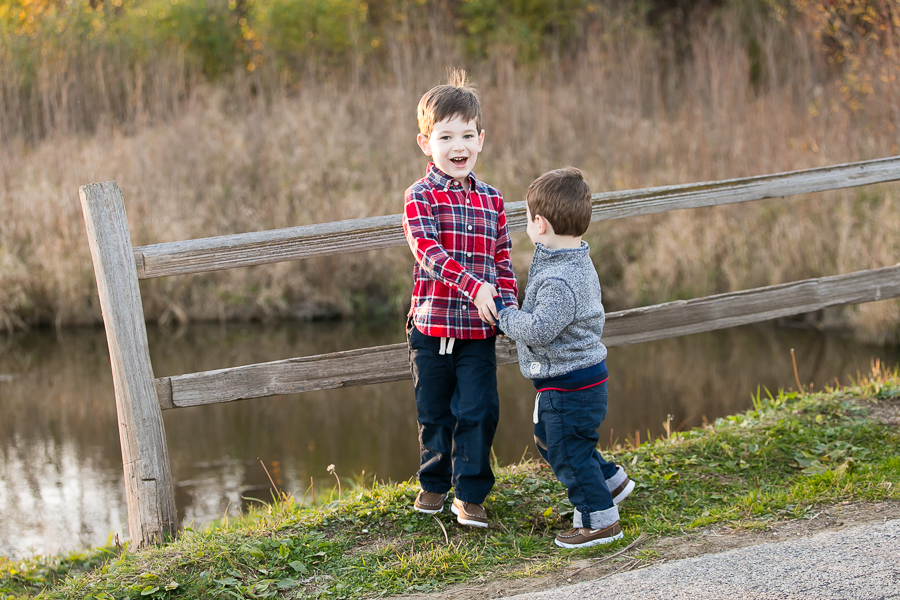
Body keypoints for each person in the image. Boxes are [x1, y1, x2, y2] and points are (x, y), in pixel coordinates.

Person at [493, 167, 635, 548]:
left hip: (568, 386)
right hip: (580, 379)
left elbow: (539, 328)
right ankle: (610, 482)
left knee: (567, 453)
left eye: (526, 218)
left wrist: (504, 315)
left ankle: (599, 521)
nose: (525, 225)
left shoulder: (560, 280)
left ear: (540, 224)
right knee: (560, 442)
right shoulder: (570, 257)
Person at [402, 69, 518, 528]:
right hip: (431, 326)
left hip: (476, 332)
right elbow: (428, 253)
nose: (458, 147)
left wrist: (506, 307)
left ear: (481, 139)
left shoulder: (493, 200)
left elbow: (503, 260)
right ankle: (434, 482)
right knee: (434, 412)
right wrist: (475, 286)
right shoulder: (420, 196)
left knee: (479, 410)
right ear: (425, 142)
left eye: (467, 135)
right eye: (446, 136)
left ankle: (470, 494)